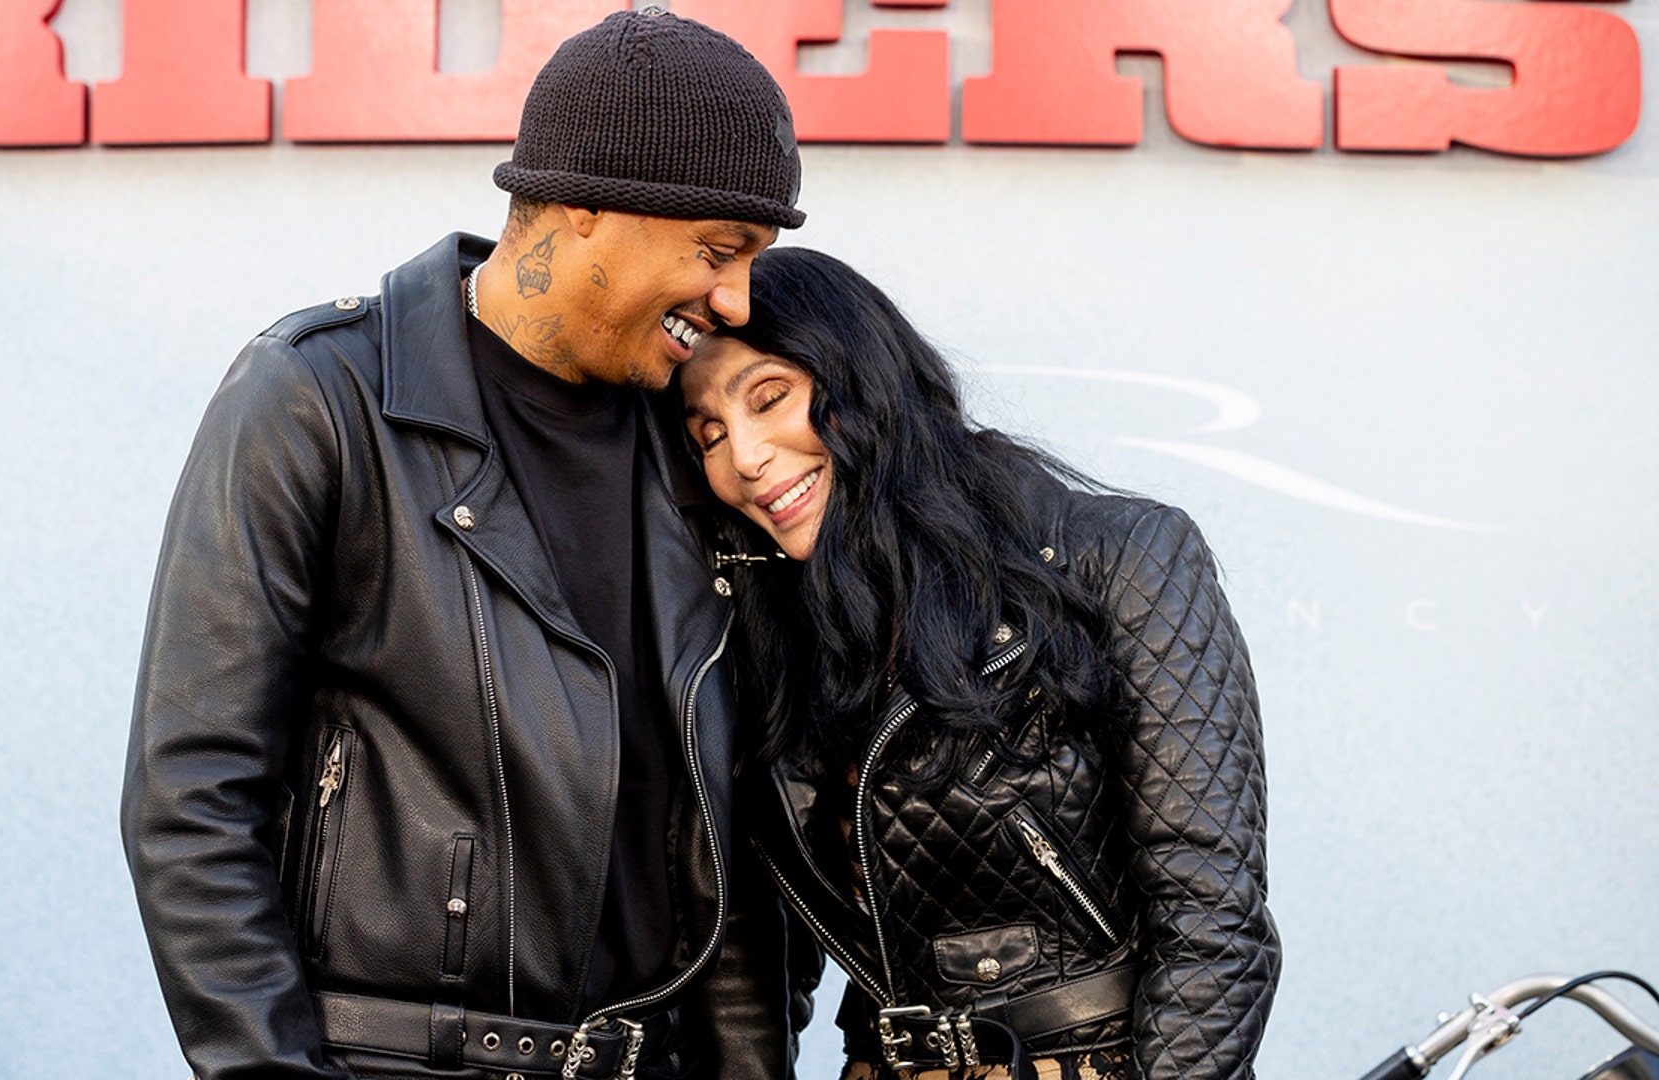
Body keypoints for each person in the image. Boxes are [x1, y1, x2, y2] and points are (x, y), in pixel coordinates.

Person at [119, 11, 807, 1080]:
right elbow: (193, 800)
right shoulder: (320, 396)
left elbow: (726, 835)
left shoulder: (694, 445)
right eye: (719, 253)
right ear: (587, 207)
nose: (734, 301)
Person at [676, 249, 1282, 1080]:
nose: (744, 458)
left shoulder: (1118, 557)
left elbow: (1214, 921)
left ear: (865, 379)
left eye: (770, 398)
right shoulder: (761, 635)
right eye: (708, 435)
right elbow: (754, 950)